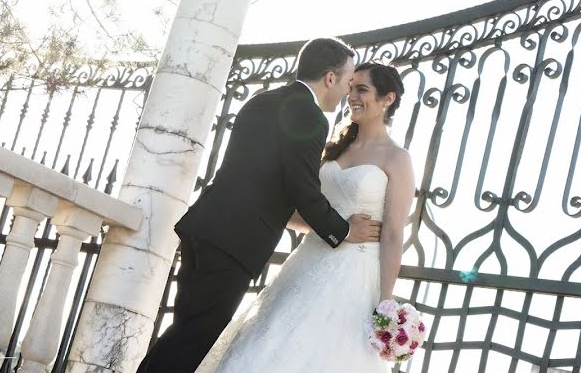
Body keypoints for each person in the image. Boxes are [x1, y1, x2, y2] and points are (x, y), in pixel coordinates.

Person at [136, 38, 384, 373]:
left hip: (206, 228)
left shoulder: (263, 100)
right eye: (347, 81)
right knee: (193, 338)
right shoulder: (308, 114)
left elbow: (264, 178)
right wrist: (344, 230)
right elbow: (303, 189)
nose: (346, 92)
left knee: (184, 332)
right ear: (329, 78)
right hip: (234, 243)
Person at [197, 61, 415, 372]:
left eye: (362, 89)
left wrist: (386, 301)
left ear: (387, 99)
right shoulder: (331, 149)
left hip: (354, 276)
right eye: (350, 88)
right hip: (307, 262)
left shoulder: (397, 158)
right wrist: (338, 228)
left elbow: (393, 232)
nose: (352, 95)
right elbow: (297, 209)